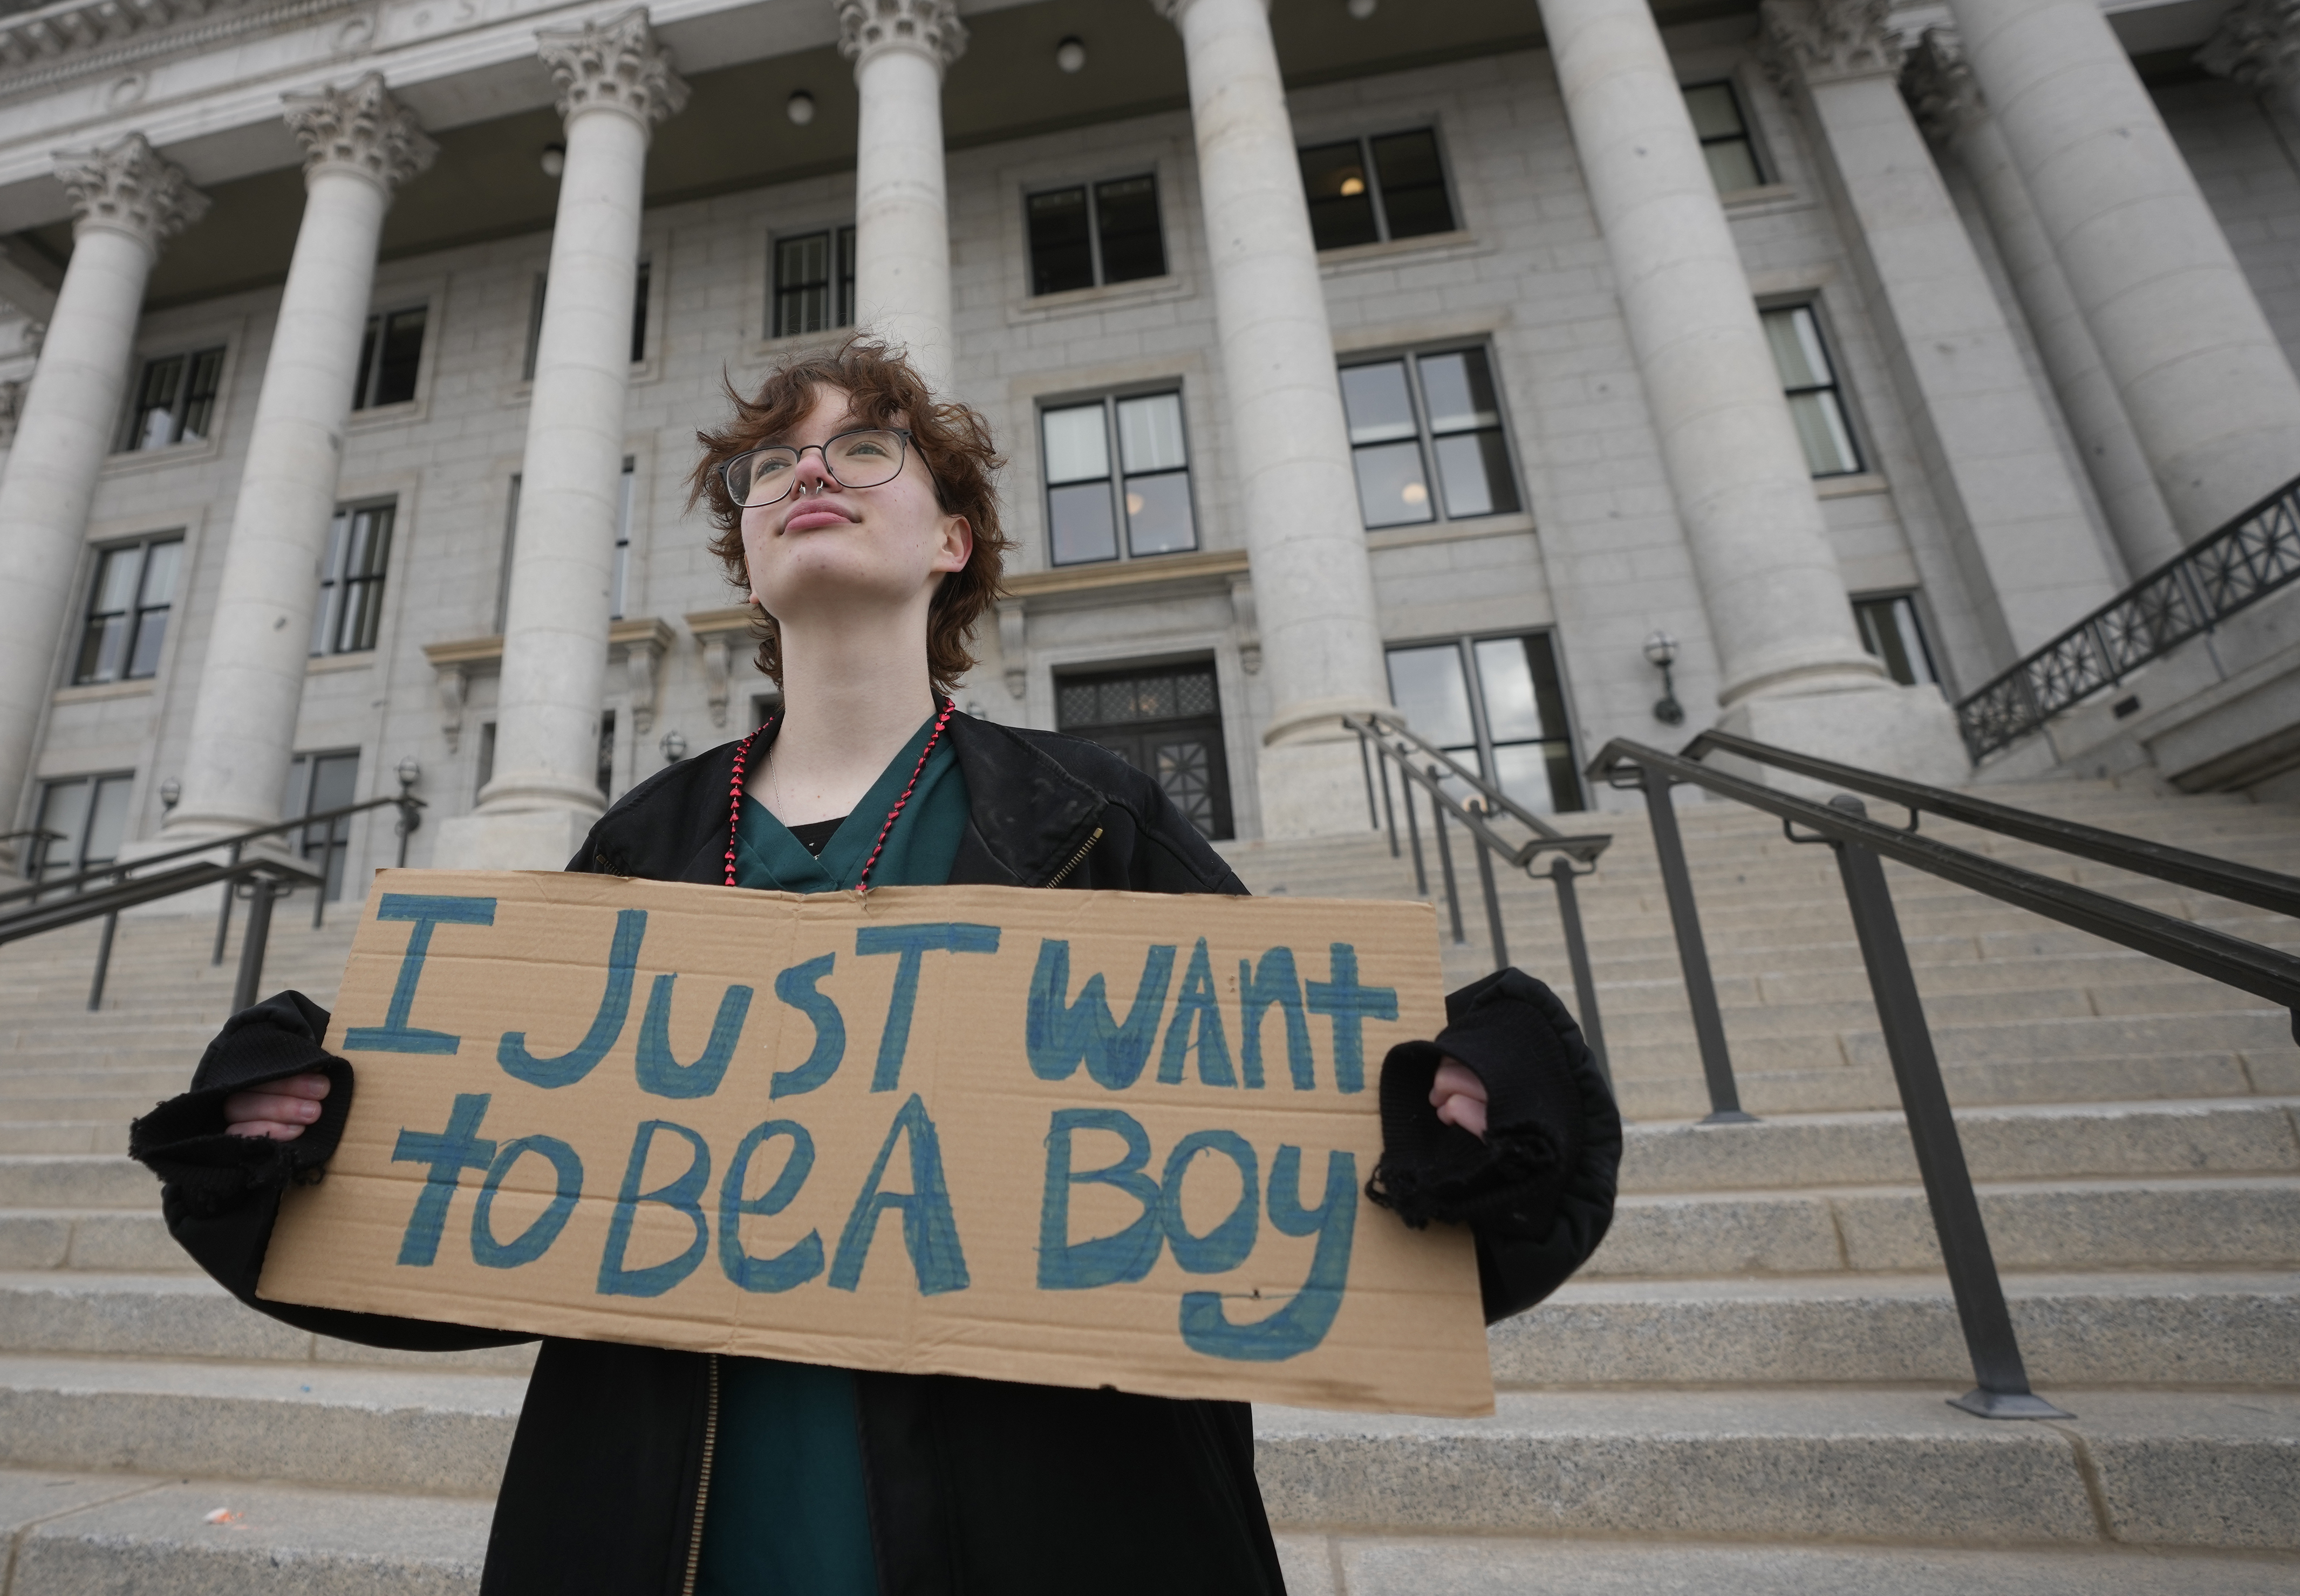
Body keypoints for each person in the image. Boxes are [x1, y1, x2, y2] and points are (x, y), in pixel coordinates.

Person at [133, 337, 1620, 1595]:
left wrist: (1463, 1115)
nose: (809, 476)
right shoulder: (641, 836)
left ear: (953, 541)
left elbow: (1307, 1168)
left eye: (866, 451)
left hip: (1062, 1524)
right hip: (672, 1528)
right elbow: (500, 1221)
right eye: (771, 468)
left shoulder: (1095, 815)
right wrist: (306, 1146)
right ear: (751, 553)